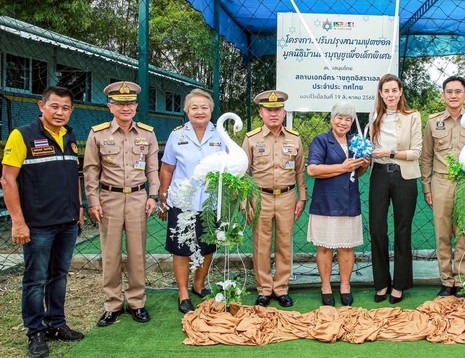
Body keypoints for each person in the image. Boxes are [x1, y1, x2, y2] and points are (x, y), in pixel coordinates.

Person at [1, 86, 84, 358]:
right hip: (38, 225)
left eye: (66, 108)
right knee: (36, 280)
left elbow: (74, 177)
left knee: (59, 276)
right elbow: (7, 180)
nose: (60, 112)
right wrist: (18, 222)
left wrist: (79, 208)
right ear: (41, 106)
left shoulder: (69, 135)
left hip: (68, 222)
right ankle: (35, 331)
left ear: (71, 110)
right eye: (54, 106)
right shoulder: (22, 135)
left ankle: (56, 324)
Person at [83, 81, 160, 326]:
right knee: (111, 254)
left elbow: (153, 168)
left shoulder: (147, 133)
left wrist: (153, 195)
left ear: (136, 106)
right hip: (109, 199)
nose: (125, 108)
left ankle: (137, 302)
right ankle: (112, 304)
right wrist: (93, 201)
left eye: (130, 103)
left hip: (138, 198)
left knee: (137, 253)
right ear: (110, 106)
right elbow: (91, 170)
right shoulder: (98, 134)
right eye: (119, 103)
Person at [158, 89, 226, 314]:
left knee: (207, 245)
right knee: (181, 248)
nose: (199, 111)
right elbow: (167, 168)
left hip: (210, 201)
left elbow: (230, 167)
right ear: (187, 111)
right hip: (182, 201)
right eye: (194, 107)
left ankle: (199, 284)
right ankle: (183, 293)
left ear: (211, 111)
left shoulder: (220, 135)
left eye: (204, 107)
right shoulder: (177, 135)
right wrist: (163, 197)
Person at [421, 75, 465, 297]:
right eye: (449, 91)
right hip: (441, 182)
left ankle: (460, 280)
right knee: (442, 234)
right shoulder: (433, 122)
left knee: (463, 234)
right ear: (443, 95)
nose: (453, 95)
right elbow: (427, 157)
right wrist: (427, 187)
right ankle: (446, 281)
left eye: (458, 91)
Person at [242, 90, 308, 307]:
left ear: (284, 113)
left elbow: (300, 170)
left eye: (277, 110)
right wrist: (245, 201)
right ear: (261, 113)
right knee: (261, 244)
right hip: (260, 197)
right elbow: (243, 173)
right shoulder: (251, 139)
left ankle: (281, 288)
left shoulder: (294, 138)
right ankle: (264, 289)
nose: (273, 114)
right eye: (268, 110)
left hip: (287, 196)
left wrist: (302, 197)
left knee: (284, 244)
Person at [307, 102, 369, 306]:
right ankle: (325, 286)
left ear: (352, 122)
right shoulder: (321, 140)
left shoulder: (356, 141)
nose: (343, 122)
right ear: (332, 119)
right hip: (326, 202)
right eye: (339, 118)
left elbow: (356, 172)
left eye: (348, 119)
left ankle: (345, 285)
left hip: (349, 202)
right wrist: (343, 167)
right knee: (325, 248)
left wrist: (363, 166)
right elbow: (313, 170)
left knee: (347, 248)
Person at [369, 74, 422, 304]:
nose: (390, 95)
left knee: (402, 229)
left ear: (400, 92)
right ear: (381, 94)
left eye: (394, 90)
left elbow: (416, 152)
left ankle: (399, 284)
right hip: (380, 175)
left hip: (404, 176)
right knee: (377, 228)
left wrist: (390, 153)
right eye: (386, 91)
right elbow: (371, 147)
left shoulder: (413, 116)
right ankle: (382, 283)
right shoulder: (374, 116)